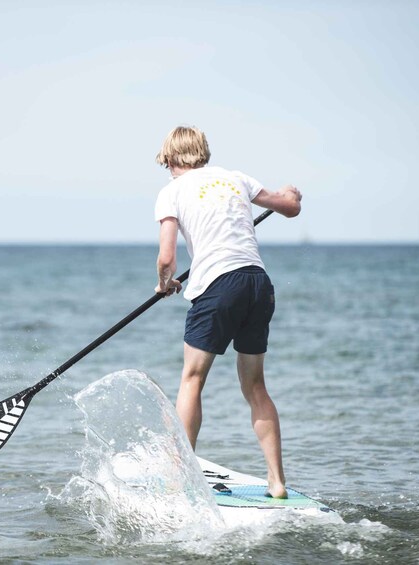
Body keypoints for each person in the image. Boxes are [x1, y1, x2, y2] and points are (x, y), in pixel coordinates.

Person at [153, 125, 302, 499]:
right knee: (255, 387)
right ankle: (277, 482)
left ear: (171, 159)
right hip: (258, 284)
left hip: (217, 287)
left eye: (166, 163)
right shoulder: (236, 178)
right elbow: (290, 209)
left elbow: (167, 257)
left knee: (192, 380)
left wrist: (164, 283)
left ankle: (180, 480)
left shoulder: (171, 192)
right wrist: (290, 195)